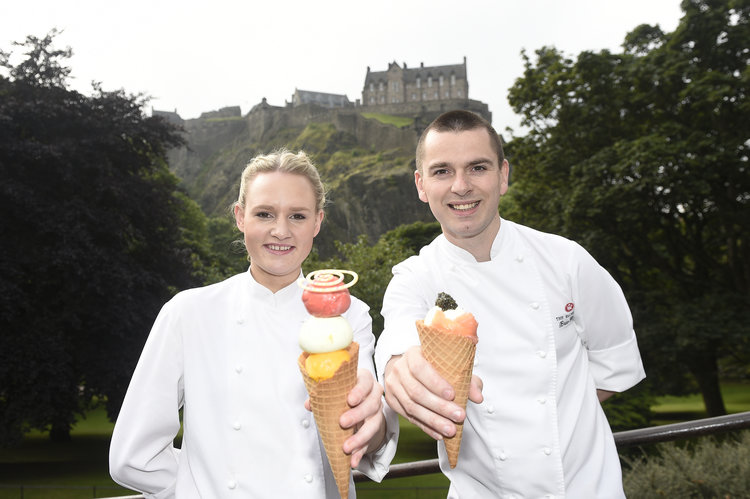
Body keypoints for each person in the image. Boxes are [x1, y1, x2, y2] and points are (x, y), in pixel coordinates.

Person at [374, 110, 646, 498]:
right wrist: (399, 369)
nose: (461, 186)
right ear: (421, 185)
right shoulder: (414, 278)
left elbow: (614, 361)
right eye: (442, 172)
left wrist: (549, 409)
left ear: (503, 175)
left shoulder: (567, 261)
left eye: (477, 168)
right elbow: (398, 340)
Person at [110, 149, 398, 498]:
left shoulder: (350, 314)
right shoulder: (187, 313)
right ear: (240, 217)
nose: (281, 231)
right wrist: (202, 487)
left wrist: (375, 421)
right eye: (264, 214)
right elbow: (133, 456)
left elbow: (369, 435)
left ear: (318, 222)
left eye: (297, 216)